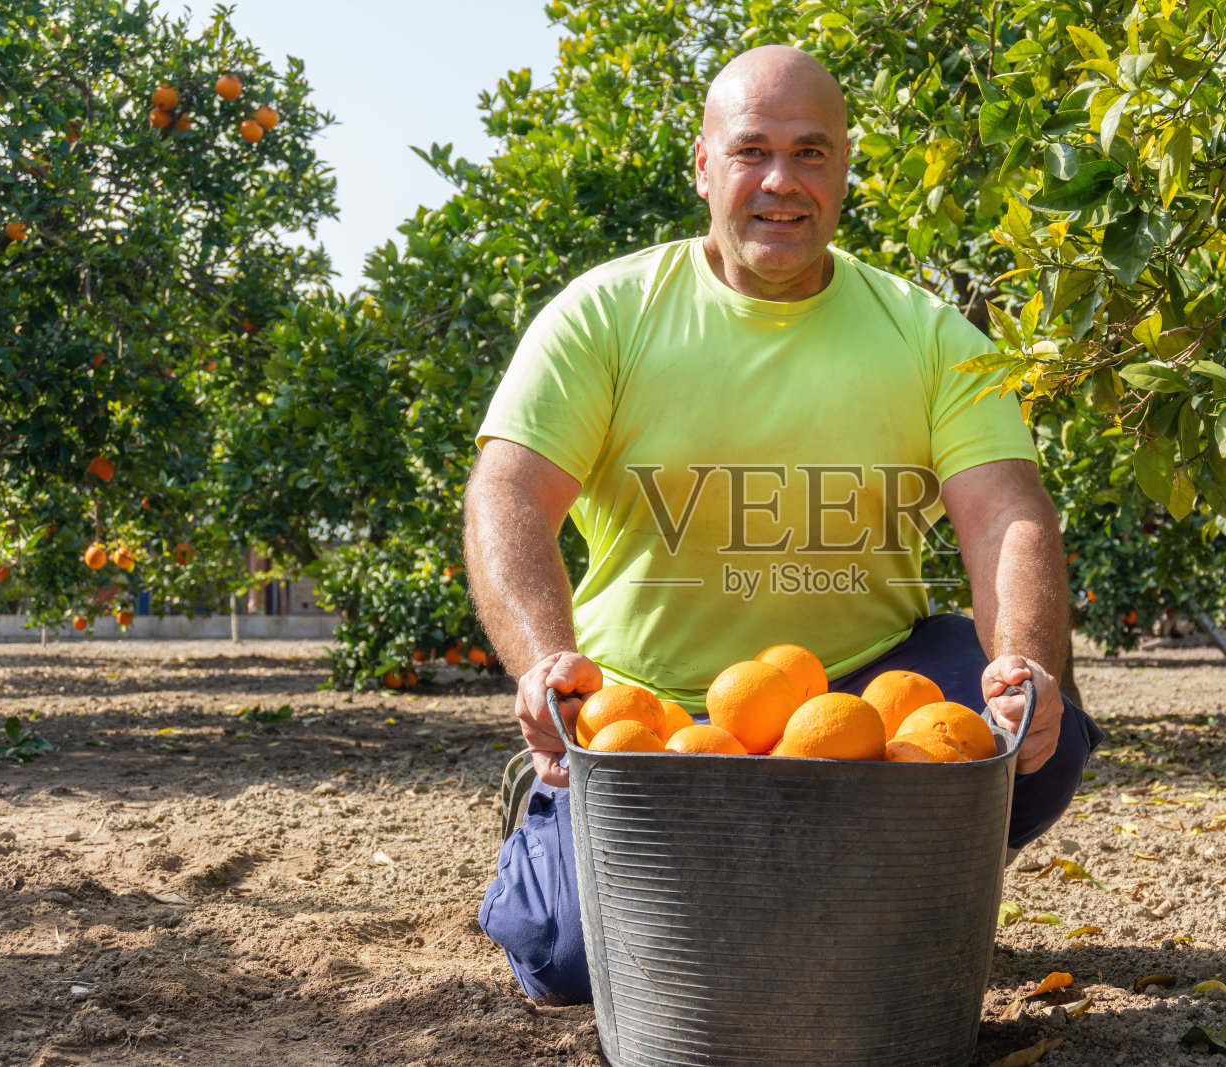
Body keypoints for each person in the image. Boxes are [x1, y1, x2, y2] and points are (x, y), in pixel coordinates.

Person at [463, 44, 1103, 1004]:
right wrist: (546, 665)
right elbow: (506, 494)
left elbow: (1008, 513)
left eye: (811, 152)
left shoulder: (925, 333)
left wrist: (1024, 666)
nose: (781, 181)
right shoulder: (605, 315)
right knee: (570, 964)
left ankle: (821, 888)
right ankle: (546, 815)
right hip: (653, 713)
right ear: (704, 164)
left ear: (845, 168)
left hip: (866, 697)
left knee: (1035, 746)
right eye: (752, 149)